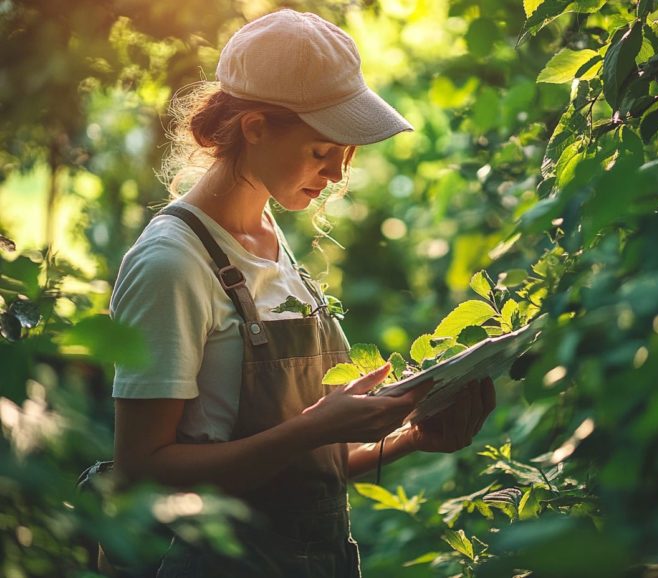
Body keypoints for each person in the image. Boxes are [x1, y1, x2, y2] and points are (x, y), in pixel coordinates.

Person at [110, 9, 495, 578]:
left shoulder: (270, 238)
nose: (338, 174)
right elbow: (142, 472)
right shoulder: (173, 262)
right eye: (321, 151)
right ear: (255, 127)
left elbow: (301, 465)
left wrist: (412, 437)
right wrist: (316, 426)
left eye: (347, 152)